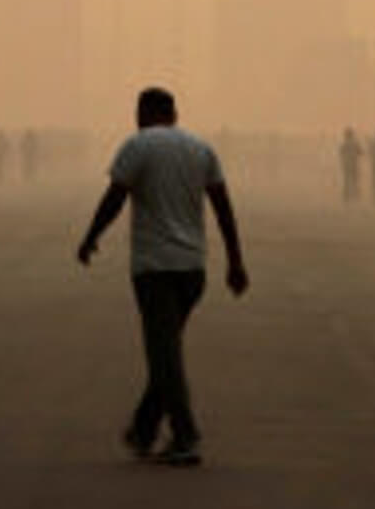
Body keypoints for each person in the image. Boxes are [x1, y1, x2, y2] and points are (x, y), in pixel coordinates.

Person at [77, 88, 248, 468]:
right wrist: (235, 261)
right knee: (165, 352)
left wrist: (91, 236)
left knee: (165, 356)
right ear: (174, 114)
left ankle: (186, 437)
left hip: (154, 268)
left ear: (146, 112)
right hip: (193, 269)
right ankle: (143, 429)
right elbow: (223, 206)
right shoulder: (201, 148)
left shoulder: (138, 146)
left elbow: (115, 197)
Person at [337, 127, 363, 203]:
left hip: (346, 165)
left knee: (347, 182)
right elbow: (361, 152)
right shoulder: (355, 143)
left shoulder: (344, 144)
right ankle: (355, 196)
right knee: (355, 181)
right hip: (354, 165)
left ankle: (347, 197)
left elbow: (341, 153)